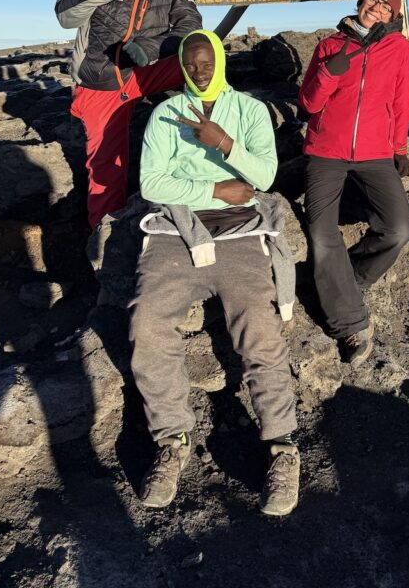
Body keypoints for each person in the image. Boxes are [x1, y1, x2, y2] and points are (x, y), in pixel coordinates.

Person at [129, 29, 299, 517]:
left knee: (260, 328)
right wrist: (215, 191)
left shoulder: (248, 110)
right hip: (175, 231)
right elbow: (152, 182)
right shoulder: (166, 114)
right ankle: (172, 438)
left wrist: (223, 142)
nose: (200, 72)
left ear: (220, 61)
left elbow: (263, 177)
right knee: (146, 323)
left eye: (208, 63)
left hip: (240, 232)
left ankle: (283, 445)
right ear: (182, 67)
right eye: (192, 65)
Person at [55, 0, 201, 229]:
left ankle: (210, 171)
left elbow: (190, 27)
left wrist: (151, 48)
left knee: (205, 57)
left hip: (147, 69)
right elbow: (64, 16)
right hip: (101, 78)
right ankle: (104, 235)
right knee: (105, 167)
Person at [299, 0, 409, 366]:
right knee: (321, 233)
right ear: (360, 1)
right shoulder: (330, 45)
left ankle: (345, 283)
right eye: (371, 1)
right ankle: (349, 322)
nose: (376, 9)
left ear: (393, 14)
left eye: (385, 6)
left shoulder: (400, 49)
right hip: (325, 151)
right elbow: (309, 104)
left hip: (375, 153)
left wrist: (399, 149)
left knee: (399, 229)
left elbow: (402, 102)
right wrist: (329, 73)